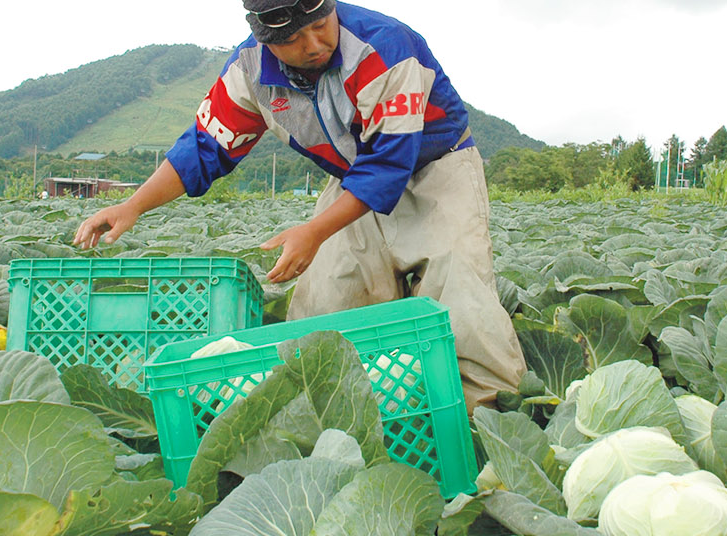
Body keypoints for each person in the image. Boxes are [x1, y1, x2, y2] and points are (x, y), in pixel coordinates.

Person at [71, 0, 525, 409]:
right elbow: (207, 146)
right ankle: (364, 414)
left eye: (321, 25)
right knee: (327, 300)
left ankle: (485, 422)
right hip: (351, 180)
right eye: (292, 39)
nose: (314, 44)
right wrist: (133, 205)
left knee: (460, 297)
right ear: (265, 38)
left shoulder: (385, 47)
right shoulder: (249, 71)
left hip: (435, 168)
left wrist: (313, 232)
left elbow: (389, 163)